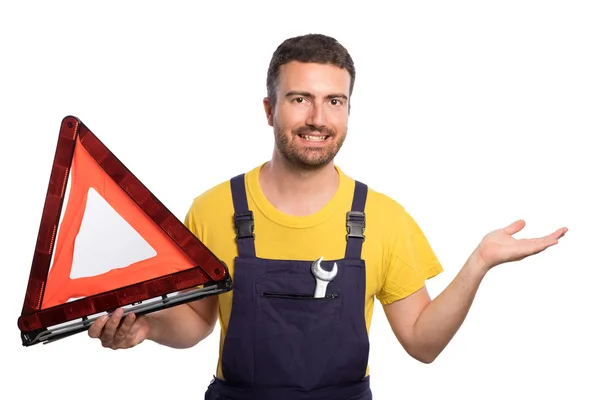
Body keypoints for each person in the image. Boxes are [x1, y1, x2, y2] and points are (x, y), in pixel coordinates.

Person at [88, 33, 568, 399]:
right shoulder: (214, 208)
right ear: (269, 109)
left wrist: (479, 262)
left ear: (347, 110)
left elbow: (423, 343)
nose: (318, 117)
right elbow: (195, 324)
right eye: (300, 99)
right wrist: (148, 328)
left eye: (334, 101)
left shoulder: (383, 217)